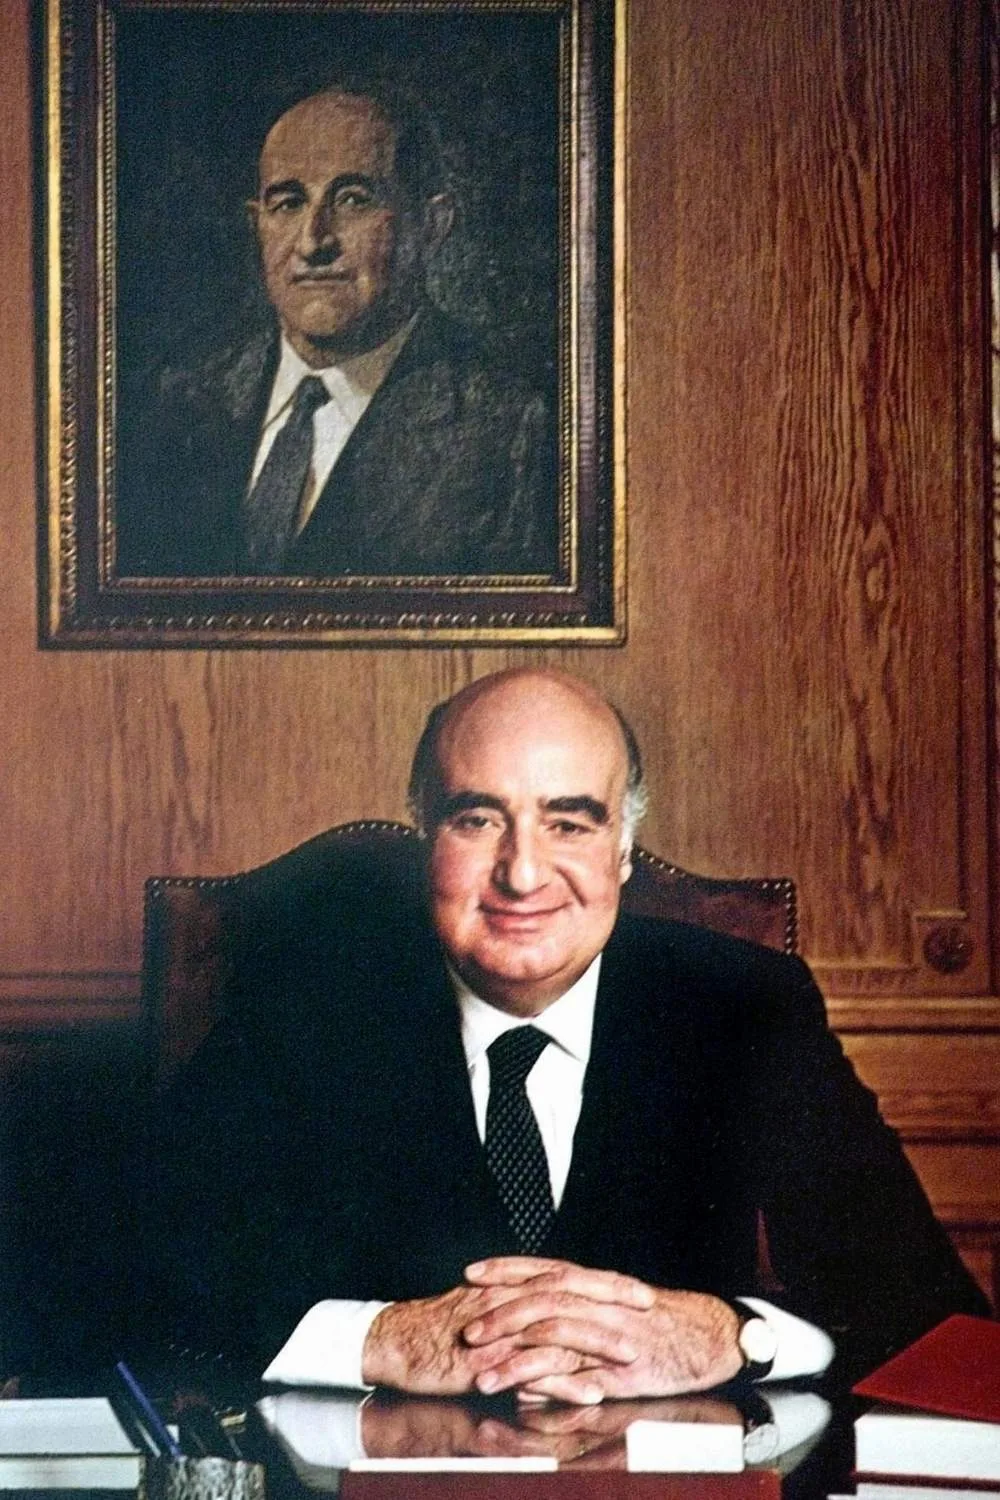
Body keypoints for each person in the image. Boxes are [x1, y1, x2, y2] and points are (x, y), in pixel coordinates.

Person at [142, 669, 987, 1404]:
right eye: (476, 820)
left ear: (623, 850)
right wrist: (383, 1339)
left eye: (570, 822)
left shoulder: (743, 1005)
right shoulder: (309, 1007)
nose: (521, 872)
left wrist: (733, 1338)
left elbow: (928, 1311)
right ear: (424, 839)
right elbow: (132, 1285)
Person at [115, 87, 557, 579]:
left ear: (432, 225)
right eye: (287, 204)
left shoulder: (518, 427)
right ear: (256, 225)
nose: (313, 241)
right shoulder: (176, 406)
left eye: (352, 200)